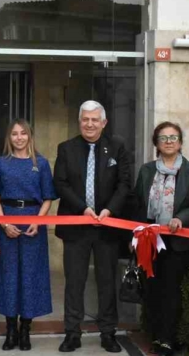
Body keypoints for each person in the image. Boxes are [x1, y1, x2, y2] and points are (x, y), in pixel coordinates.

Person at [53, 101, 131, 353]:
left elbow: (124, 184)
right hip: (76, 226)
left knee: (107, 282)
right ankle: (72, 333)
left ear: (104, 123)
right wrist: (82, 209)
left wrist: (110, 210)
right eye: (85, 119)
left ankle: (108, 333)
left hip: (107, 227)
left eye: (94, 120)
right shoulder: (66, 148)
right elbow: (60, 184)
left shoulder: (117, 147)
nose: (89, 124)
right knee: (74, 282)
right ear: (79, 122)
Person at [129, 121, 189, 356]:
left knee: (171, 291)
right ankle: (155, 334)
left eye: (173, 137)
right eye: (164, 138)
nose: (169, 142)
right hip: (150, 241)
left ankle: (168, 339)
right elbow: (138, 202)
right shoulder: (146, 170)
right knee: (152, 289)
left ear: (180, 142)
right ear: (156, 143)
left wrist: (181, 218)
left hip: (177, 242)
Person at [0, 119, 56, 352]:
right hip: (6, 221)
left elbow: (48, 196)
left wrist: (38, 220)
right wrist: (4, 223)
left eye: (23, 133)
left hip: (33, 223)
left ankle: (25, 329)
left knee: (30, 276)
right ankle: (10, 330)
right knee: (8, 275)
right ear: (9, 138)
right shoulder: (1, 163)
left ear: (29, 136)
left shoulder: (42, 163)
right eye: (14, 134)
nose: (18, 138)